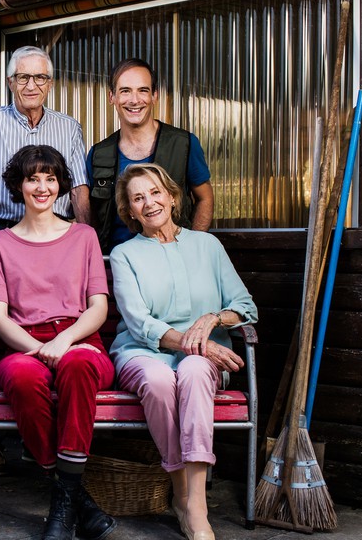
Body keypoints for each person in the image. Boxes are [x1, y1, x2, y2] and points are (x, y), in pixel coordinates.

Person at [108, 163, 257, 540]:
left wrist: (212, 318)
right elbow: (139, 322)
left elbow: (245, 306)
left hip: (202, 360)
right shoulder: (125, 254)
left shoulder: (207, 245)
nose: (149, 202)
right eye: (138, 198)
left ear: (173, 197)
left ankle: (195, 507)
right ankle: (181, 491)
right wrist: (198, 343)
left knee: (191, 370)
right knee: (159, 379)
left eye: (156, 192)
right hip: (143, 353)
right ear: (130, 211)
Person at [0, 145, 117, 540]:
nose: (42, 187)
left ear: (60, 185)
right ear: (18, 185)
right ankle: (73, 497)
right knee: (23, 377)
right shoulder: (0, 244)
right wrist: (37, 349)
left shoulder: (84, 236)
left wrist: (64, 340)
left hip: (80, 340)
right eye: (32, 178)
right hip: (23, 344)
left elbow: (98, 307)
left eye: (50, 178)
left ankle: (62, 506)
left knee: (77, 365)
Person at [0, 45, 91, 257]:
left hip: (56, 233)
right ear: (10, 82)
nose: (31, 85)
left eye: (40, 77)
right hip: (2, 230)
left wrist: (87, 236)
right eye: (23, 77)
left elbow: (78, 188)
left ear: (50, 84)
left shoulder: (69, 127)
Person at [88, 58, 214, 253]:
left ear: (155, 96)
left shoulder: (184, 144)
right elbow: (92, 214)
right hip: (116, 264)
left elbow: (205, 199)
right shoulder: (98, 154)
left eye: (143, 90)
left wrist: (191, 248)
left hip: (172, 258)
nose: (134, 100)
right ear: (111, 96)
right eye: (125, 91)